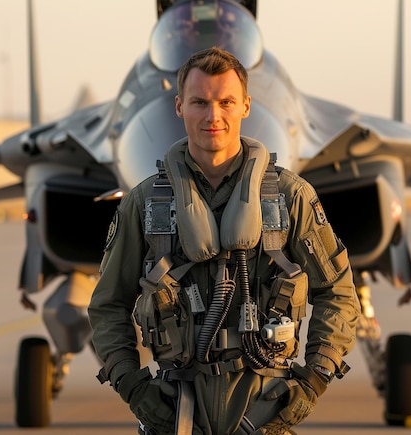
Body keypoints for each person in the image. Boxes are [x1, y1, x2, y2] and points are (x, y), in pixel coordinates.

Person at [88, 47, 360, 435]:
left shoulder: (289, 197)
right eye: (199, 102)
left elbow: (338, 292)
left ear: (246, 106)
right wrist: (134, 388)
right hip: (174, 411)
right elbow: (107, 304)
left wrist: (313, 380)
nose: (213, 116)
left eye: (225, 102)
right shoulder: (147, 204)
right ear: (179, 107)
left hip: (265, 413)